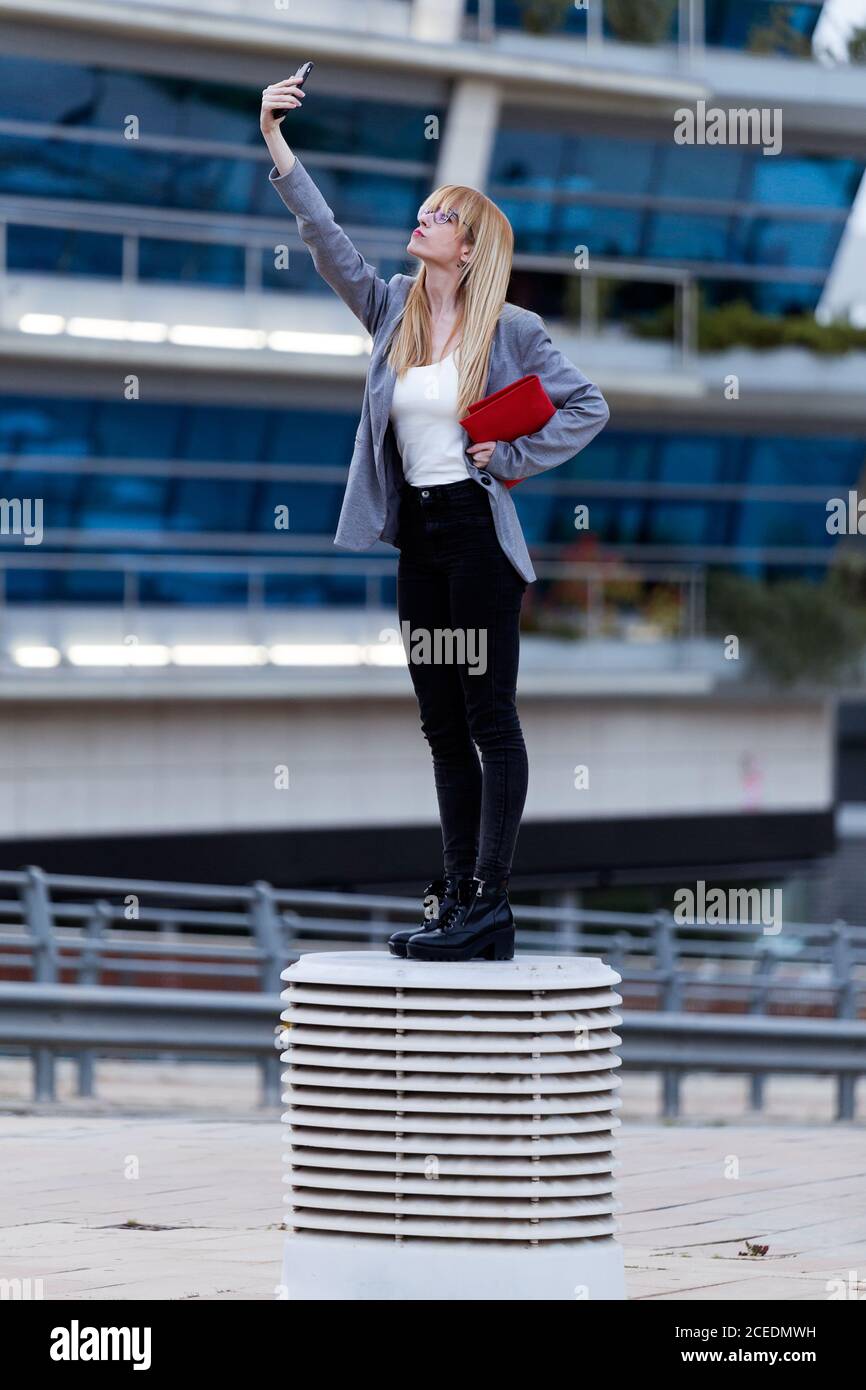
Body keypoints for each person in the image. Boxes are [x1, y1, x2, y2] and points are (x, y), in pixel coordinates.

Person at [261, 68, 609, 962]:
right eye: (424, 210)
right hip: (418, 539)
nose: (423, 220)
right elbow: (326, 239)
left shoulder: (513, 330)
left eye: (440, 215)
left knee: (490, 717)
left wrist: (517, 457)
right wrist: (276, 144)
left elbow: (587, 406)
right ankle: (456, 899)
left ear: (470, 244)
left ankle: (492, 903)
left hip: (477, 539)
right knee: (440, 724)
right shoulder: (392, 315)